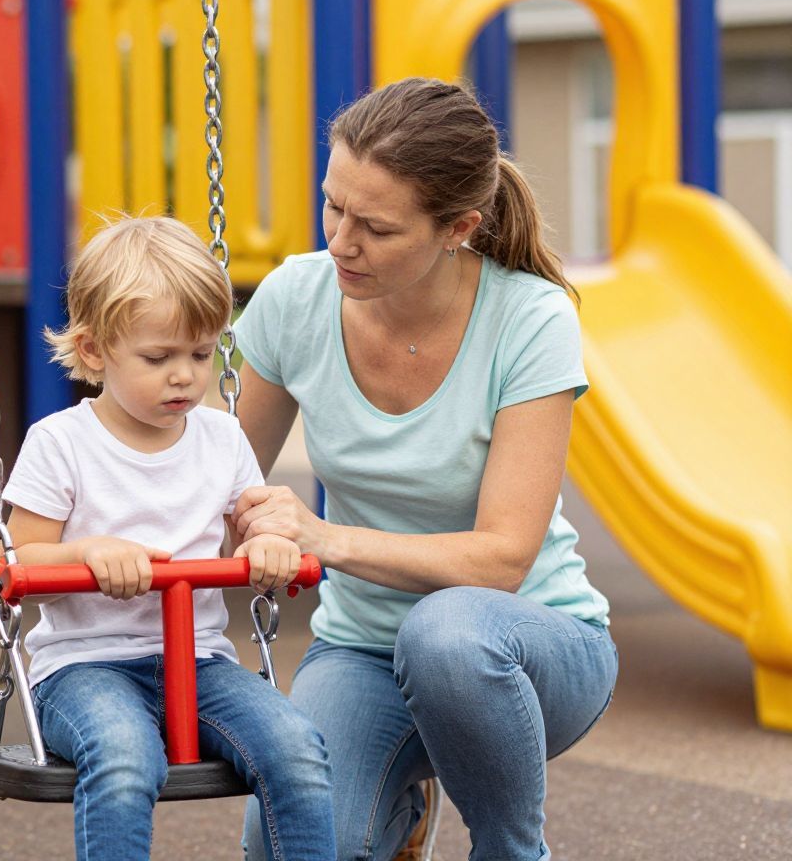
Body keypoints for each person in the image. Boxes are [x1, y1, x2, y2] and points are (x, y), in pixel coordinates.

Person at [231, 78, 617, 860]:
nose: (341, 241)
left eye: (375, 226)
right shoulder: (293, 300)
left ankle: (511, 849)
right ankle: (401, 815)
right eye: (333, 206)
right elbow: (218, 479)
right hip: (365, 648)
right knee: (292, 842)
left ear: (458, 229)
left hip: (526, 647)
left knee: (447, 633)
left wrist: (324, 539)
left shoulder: (530, 318)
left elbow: (503, 559)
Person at [1, 215, 336, 861]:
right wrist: (85, 553)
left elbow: (254, 526)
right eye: (159, 358)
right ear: (95, 351)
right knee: (126, 761)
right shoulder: (60, 445)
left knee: (298, 747)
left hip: (201, 662)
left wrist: (266, 548)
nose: (184, 374)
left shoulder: (222, 439)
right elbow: (16, 560)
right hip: (82, 667)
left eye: (202, 354)